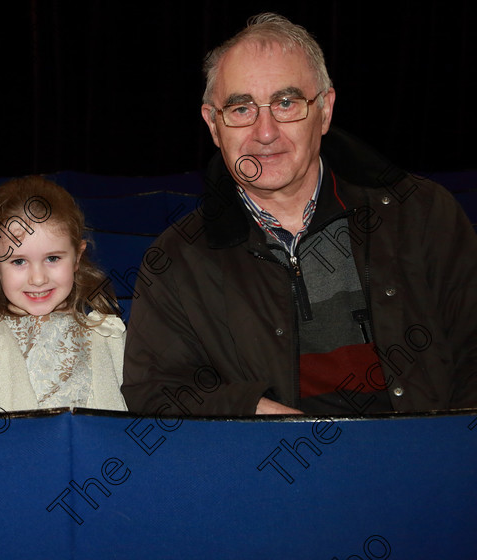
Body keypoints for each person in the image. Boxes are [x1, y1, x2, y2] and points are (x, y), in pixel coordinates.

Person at [122, 13, 477, 416]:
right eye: (241, 109)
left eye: (286, 103)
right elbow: (157, 391)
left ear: (324, 110)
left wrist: (449, 454)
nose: (266, 131)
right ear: (214, 124)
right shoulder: (176, 259)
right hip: (277, 472)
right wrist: (262, 417)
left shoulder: (422, 214)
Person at [0, 176, 127, 413]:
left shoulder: (109, 336)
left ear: (77, 256)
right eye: (18, 261)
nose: (38, 279)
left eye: (52, 258)